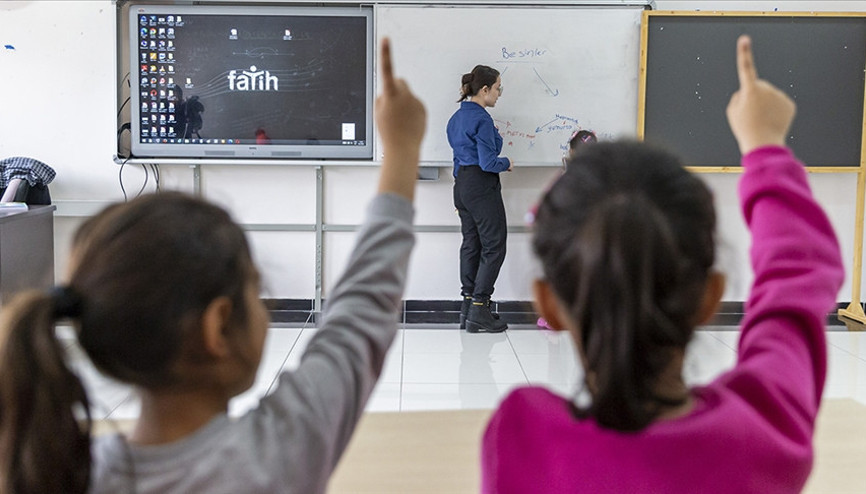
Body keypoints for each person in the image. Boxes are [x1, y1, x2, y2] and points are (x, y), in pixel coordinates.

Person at [0, 37, 425, 494]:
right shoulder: (277, 455)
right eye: (255, 293)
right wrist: (402, 150)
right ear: (217, 325)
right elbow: (358, 318)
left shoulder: (60, 474)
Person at [481, 35, 844, 493]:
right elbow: (797, 279)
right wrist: (765, 147)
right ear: (711, 297)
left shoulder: (522, 438)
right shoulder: (763, 431)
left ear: (547, 304)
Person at [447, 64, 513, 333]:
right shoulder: (482, 119)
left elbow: (456, 159)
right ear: (484, 89)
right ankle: (480, 309)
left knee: (471, 244)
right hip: (480, 185)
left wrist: (462, 192)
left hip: (461, 185)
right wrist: (506, 162)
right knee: (495, 246)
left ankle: (467, 307)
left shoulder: (455, 118)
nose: (499, 94)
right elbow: (488, 163)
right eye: (498, 89)